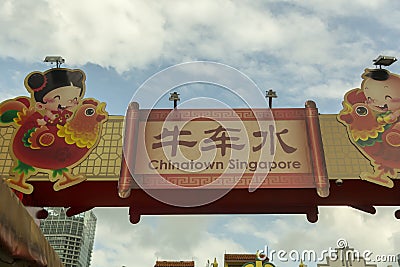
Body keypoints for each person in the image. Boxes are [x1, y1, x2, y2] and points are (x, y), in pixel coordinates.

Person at [24, 68, 86, 146]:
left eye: (75, 99)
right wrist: (45, 120)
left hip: (64, 136)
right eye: (57, 98)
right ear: (40, 105)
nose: (70, 102)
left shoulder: (67, 113)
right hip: (50, 131)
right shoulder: (49, 113)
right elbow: (47, 117)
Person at [362, 68, 400, 146]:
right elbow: (381, 109)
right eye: (369, 98)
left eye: (387, 97)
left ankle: (396, 134)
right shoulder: (387, 112)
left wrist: (394, 115)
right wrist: (371, 105)